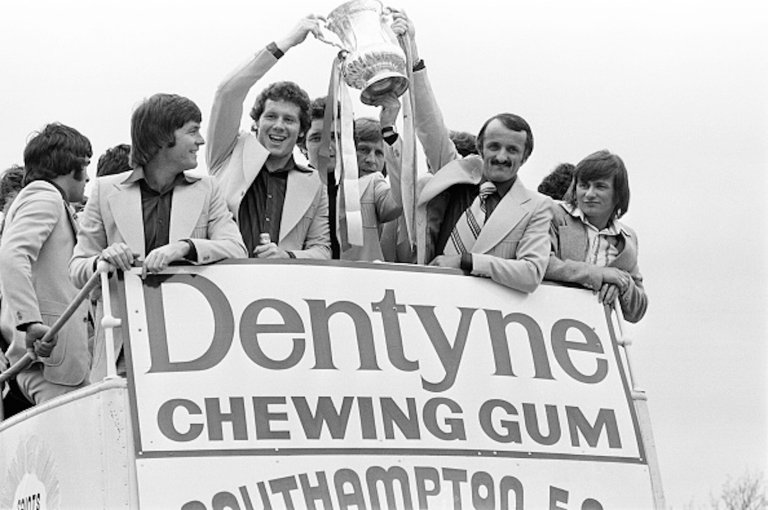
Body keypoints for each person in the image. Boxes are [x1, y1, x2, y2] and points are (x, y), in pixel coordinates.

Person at [70, 93, 246, 380]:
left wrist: (184, 248)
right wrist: (103, 260)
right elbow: (77, 270)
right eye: (192, 131)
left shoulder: (209, 189)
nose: (201, 140)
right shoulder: (104, 190)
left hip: (195, 349)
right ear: (162, 137)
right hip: (122, 356)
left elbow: (236, 249)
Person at [393, 12, 552, 293]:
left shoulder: (537, 207)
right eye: (494, 146)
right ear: (480, 148)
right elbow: (428, 123)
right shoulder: (454, 173)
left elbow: (531, 273)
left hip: (483, 313)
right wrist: (412, 54)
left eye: (512, 150)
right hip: (427, 297)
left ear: (525, 156)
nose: (501, 156)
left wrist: (465, 261)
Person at [207, 15, 330, 260]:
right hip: (220, 279)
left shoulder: (315, 183)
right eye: (271, 116)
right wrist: (286, 43)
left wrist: (287, 257)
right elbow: (228, 92)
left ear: (301, 131)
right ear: (257, 122)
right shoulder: (228, 151)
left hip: (279, 283)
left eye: (289, 120)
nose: (279, 126)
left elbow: (322, 249)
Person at [0, 123, 92, 404]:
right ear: (71, 166)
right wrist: (30, 323)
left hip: (54, 358)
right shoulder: (44, 196)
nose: (88, 178)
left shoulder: (46, 199)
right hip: (49, 358)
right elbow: (12, 255)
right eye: (85, 166)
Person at [545, 150, 647, 322]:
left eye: (600, 186)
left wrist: (621, 284)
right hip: (540, 320)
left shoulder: (628, 239)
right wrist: (597, 274)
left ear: (618, 193)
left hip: (590, 330)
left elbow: (637, 312)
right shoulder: (552, 213)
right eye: (584, 185)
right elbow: (537, 263)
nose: (589, 194)